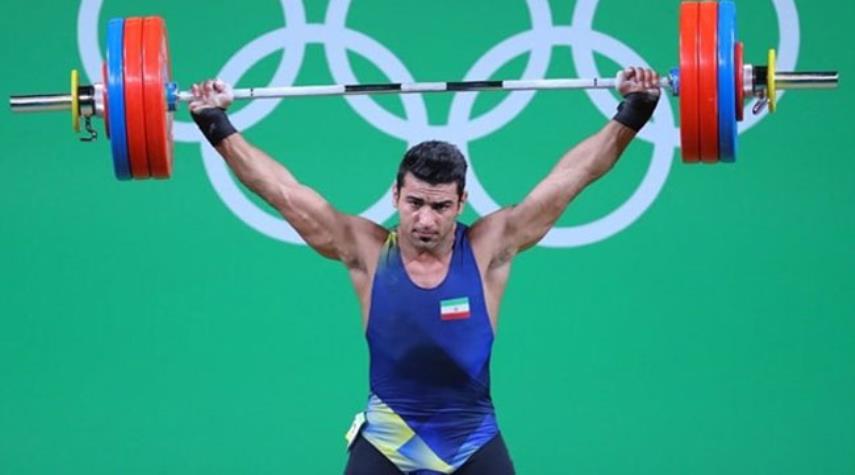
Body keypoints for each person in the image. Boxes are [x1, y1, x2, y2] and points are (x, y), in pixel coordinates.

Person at [189, 66, 660, 475]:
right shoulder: (365, 250)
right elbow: (281, 191)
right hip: (388, 442)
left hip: (472, 440)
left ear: (461, 202)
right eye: (414, 203)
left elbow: (572, 177)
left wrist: (634, 111)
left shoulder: (488, 248)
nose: (425, 220)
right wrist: (214, 121)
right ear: (395, 195)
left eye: (440, 206)